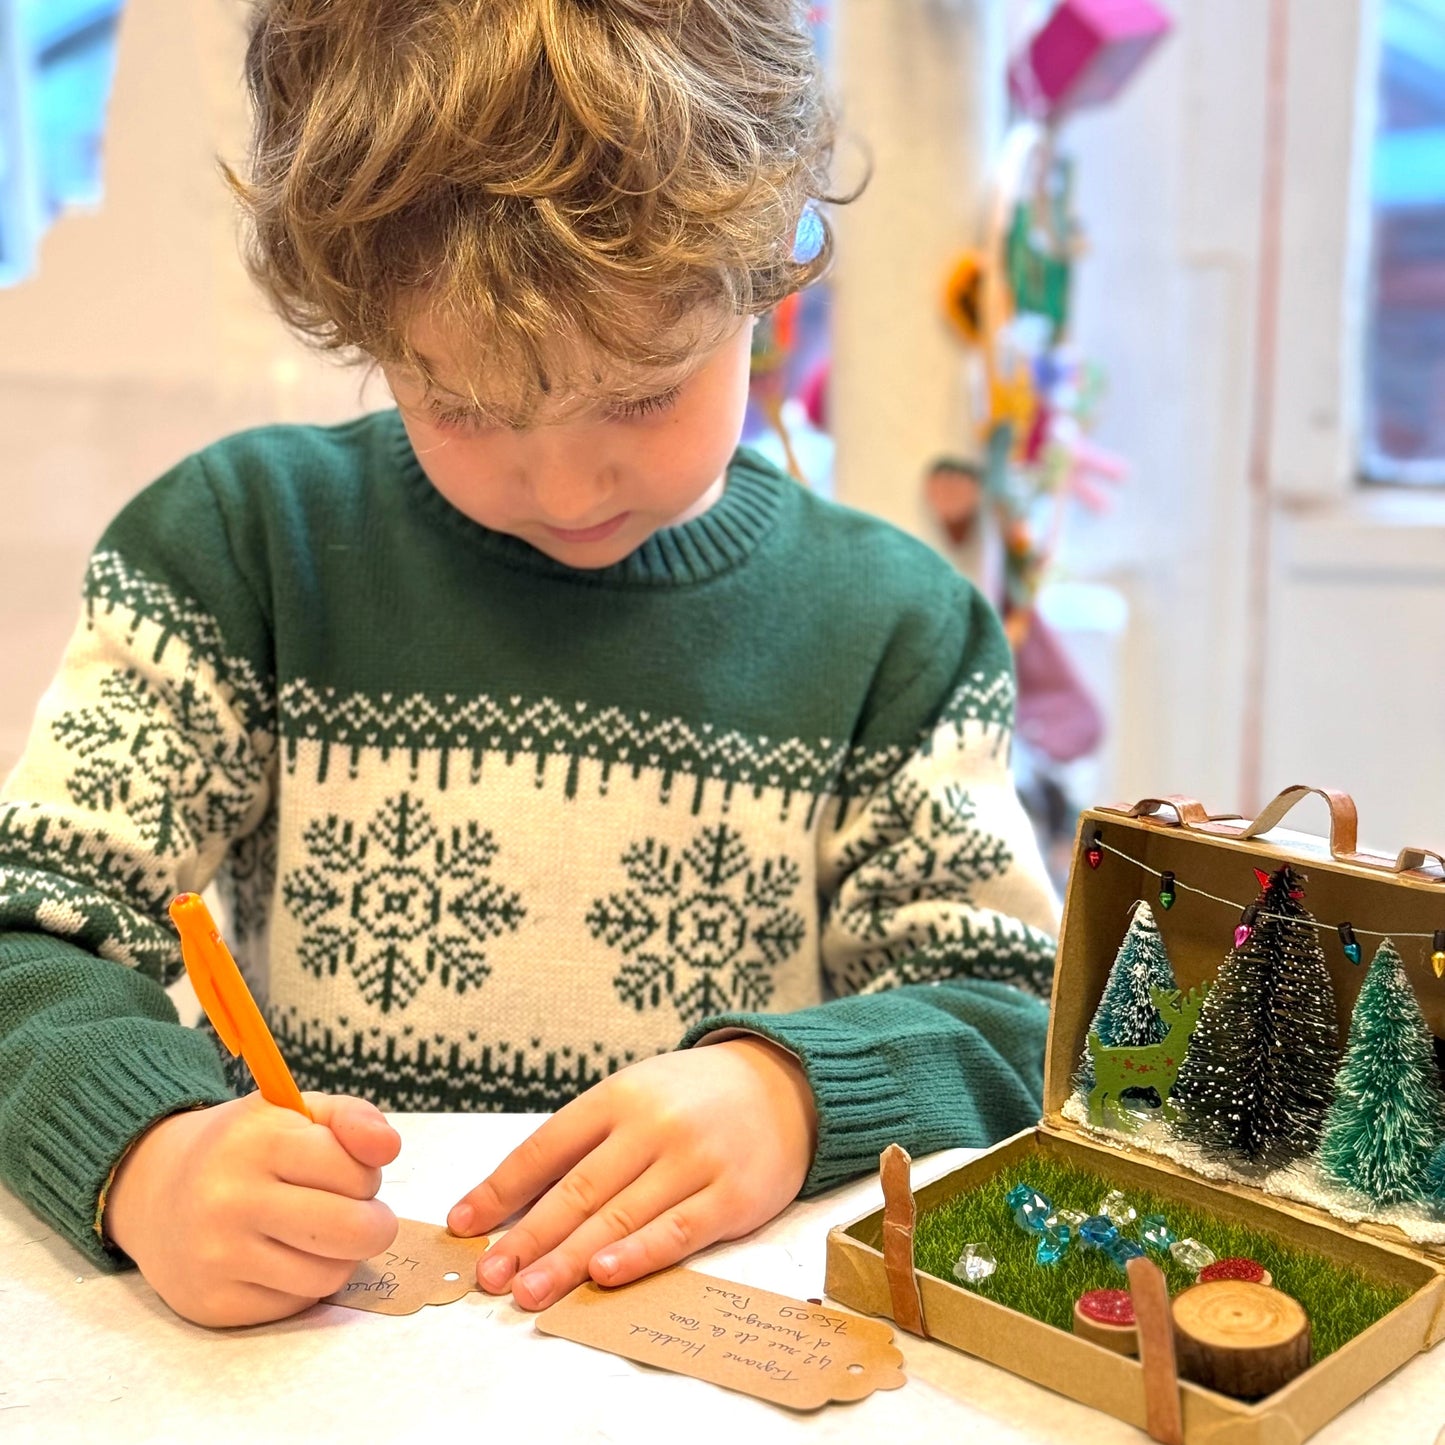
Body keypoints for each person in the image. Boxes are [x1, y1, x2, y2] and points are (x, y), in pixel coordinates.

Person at [0, 0, 1059, 1329]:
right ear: (362, 316)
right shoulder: (238, 555)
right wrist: (144, 1152)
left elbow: (1016, 1016)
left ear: (767, 266)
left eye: (637, 392)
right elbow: (24, 931)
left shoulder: (896, 630)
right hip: (324, 1383)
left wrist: (792, 1092)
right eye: (463, 403)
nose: (561, 483)